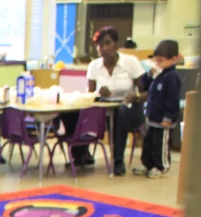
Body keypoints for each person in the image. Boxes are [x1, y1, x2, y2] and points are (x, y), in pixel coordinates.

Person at [60, 26, 146, 174]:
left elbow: (145, 92)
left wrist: (136, 96)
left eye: (108, 43)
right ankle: (81, 154)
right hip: (105, 107)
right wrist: (98, 93)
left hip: (130, 107)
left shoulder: (130, 62)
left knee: (122, 113)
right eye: (100, 45)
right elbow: (90, 94)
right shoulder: (94, 66)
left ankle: (118, 160)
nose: (104, 48)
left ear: (116, 44)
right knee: (72, 112)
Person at [133, 40, 182, 179]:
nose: (157, 64)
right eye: (156, 60)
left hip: (164, 119)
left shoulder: (171, 77)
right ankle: (147, 164)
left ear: (173, 59)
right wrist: (149, 75)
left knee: (160, 144)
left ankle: (161, 166)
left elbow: (172, 100)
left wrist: (169, 117)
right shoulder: (157, 74)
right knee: (148, 143)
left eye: (161, 61)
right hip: (152, 117)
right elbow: (143, 86)